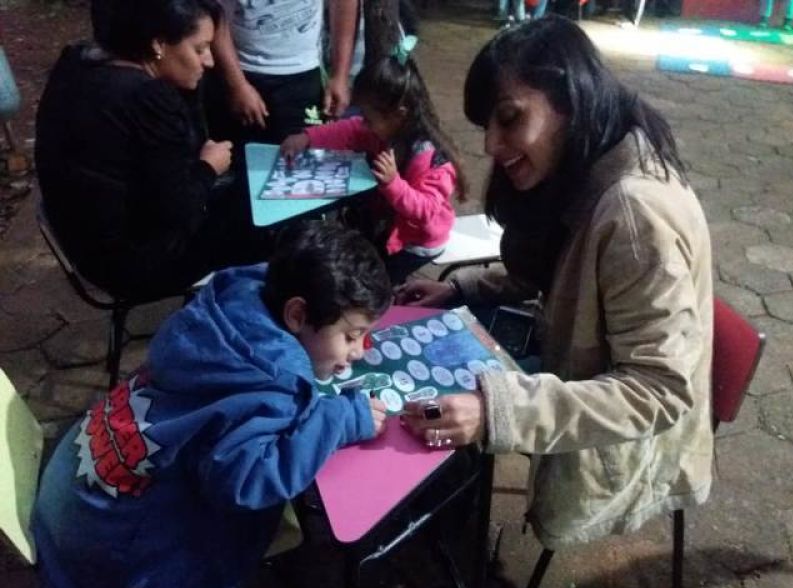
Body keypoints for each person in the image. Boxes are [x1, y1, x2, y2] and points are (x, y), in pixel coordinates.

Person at [395, 16, 714, 551]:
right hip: (571, 357)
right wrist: (463, 290)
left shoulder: (636, 213)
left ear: (570, 100)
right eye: (487, 126)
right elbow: (563, 270)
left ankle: (448, 526)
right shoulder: (589, 160)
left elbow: (659, 390)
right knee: (445, 364)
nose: (491, 145)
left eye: (509, 118)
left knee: (453, 395)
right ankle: (451, 513)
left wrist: (498, 411)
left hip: (627, 440)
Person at [32, 220, 392, 588]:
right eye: (351, 336)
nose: (359, 351)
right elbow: (246, 484)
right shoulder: (268, 383)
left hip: (72, 500)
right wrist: (340, 419)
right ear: (297, 315)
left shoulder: (231, 308)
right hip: (113, 562)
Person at [37, 0, 271, 302]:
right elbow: (178, 210)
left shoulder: (76, 63)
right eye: (199, 48)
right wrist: (209, 166)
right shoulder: (146, 99)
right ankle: (240, 316)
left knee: (241, 196)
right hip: (134, 264)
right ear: (158, 44)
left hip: (84, 245)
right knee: (265, 221)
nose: (210, 61)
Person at [280, 38, 467, 285]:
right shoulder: (382, 129)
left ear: (399, 115)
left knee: (375, 282)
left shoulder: (432, 159)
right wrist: (307, 138)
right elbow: (349, 130)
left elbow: (426, 211)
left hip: (416, 242)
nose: (364, 124)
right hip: (388, 226)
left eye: (369, 118)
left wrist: (393, 184)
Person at [208, 0, 359, 145]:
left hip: (304, 74)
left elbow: (344, 3)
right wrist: (237, 85)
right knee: (239, 155)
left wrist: (340, 76)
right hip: (241, 71)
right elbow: (214, 11)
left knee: (302, 154)